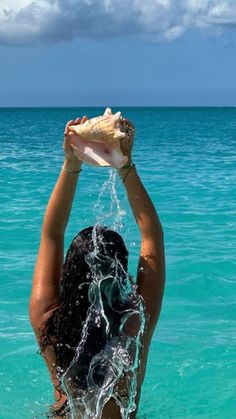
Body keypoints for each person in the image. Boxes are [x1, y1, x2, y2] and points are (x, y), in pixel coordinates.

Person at [29, 114, 165, 418]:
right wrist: (125, 165)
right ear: (122, 276)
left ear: (67, 273)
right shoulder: (135, 327)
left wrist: (71, 162)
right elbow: (152, 235)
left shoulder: (47, 323)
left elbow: (51, 234)